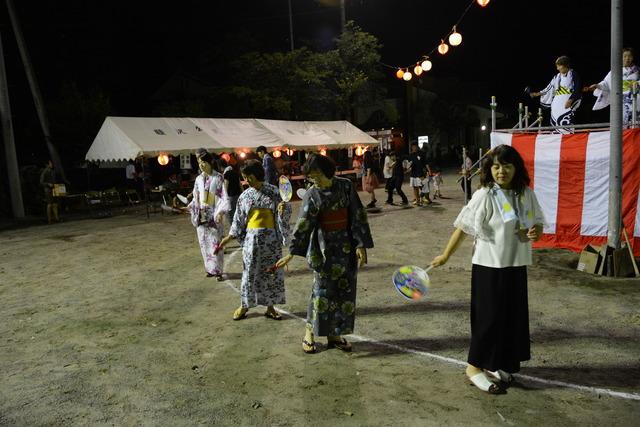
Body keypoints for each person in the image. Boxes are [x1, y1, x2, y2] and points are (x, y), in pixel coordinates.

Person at [430, 144, 545, 395]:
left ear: (516, 168)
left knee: (511, 319)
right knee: (488, 319)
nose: (501, 171)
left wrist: (536, 231)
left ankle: (498, 364)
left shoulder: (527, 194)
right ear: (488, 169)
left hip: (515, 265)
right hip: (488, 266)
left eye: (506, 165)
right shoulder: (485, 194)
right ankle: (473, 368)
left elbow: (537, 223)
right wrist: (446, 255)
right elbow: (463, 227)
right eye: (495, 166)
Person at [276, 154, 373, 354]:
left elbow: (357, 215)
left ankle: (334, 335)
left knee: (343, 293)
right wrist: (292, 252)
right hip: (323, 249)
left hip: (346, 248)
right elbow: (304, 224)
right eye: (311, 177)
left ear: (328, 171)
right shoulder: (312, 194)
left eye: (318, 175)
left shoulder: (346, 186)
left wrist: (360, 245)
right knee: (321, 294)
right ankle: (309, 332)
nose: (315, 180)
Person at [217, 160, 291, 321]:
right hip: (251, 240)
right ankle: (244, 305)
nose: (247, 180)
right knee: (249, 272)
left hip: (271, 240)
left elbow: (285, 213)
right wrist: (228, 237)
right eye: (244, 177)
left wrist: (282, 210)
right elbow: (238, 220)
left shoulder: (274, 192)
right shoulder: (245, 195)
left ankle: (270, 307)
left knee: (271, 273)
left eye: (249, 176)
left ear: (257, 175)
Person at [189, 149, 229, 280]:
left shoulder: (218, 178)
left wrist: (220, 212)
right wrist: (191, 207)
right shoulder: (198, 179)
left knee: (215, 244)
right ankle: (210, 269)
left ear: (210, 162)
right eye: (199, 163)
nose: (201, 165)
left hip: (213, 214)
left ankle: (218, 271)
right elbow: (196, 197)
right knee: (204, 243)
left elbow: (223, 197)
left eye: (203, 162)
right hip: (201, 215)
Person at [529, 55, 582, 132]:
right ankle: (557, 139)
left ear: (565, 65)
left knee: (566, 120)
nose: (557, 68)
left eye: (559, 66)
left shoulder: (573, 74)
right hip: (556, 102)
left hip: (567, 101)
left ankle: (568, 139)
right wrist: (536, 94)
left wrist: (571, 99)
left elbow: (578, 87)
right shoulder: (556, 77)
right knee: (555, 121)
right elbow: (548, 88)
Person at [588, 47, 640, 125]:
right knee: (621, 122)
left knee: (636, 121)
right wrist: (597, 86)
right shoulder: (615, 71)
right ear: (621, 57)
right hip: (620, 99)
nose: (627, 58)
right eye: (625, 56)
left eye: (629, 56)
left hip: (635, 99)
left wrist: (638, 83)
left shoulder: (638, 70)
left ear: (632, 57)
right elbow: (606, 83)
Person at [222, 159, 243, 230]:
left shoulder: (226, 174)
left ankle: (233, 230)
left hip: (231, 196)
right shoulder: (236, 173)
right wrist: (243, 193)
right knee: (238, 212)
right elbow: (240, 184)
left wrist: (224, 196)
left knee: (230, 213)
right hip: (238, 195)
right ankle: (239, 227)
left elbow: (225, 186)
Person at [40, 159, 59, 224]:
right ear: (47, 164)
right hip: (48, 189)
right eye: (50, 163)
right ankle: (49, 219)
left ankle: (56, 218)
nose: (52, 164)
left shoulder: (52, 171)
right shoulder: (44, 171)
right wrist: (48, 184)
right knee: (49, 204)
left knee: (55, 204)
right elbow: (41, 182)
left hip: (54, 188)